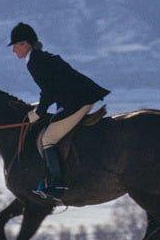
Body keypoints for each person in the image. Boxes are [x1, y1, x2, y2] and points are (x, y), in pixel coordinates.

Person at [8, 22, 109, 201]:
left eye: (15, 45)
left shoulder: (35, 61)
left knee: (48, 139)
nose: (13, 50)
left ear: (25, 44)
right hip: (78, 97)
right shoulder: (39, 58)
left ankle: (58, 186)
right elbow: (52, 89)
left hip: (78, 101)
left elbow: (48, 91)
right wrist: (39, 107)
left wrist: (38, 113)